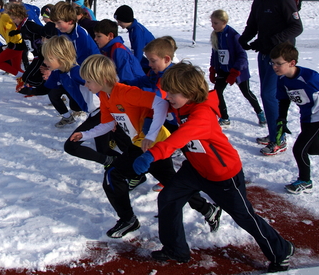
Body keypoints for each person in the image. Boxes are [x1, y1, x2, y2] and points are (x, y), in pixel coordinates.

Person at [132, 62, 294, 272]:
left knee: (244, 216)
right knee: (168, 199)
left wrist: (151, 155)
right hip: (196, 168)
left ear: (190, 92)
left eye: (172, 93)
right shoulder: (181, 104)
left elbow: (178, 139)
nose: (168, 97)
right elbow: (156, 103)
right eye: (167, 92)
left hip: (222, 173)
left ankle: (281, 250)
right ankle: (176, 249)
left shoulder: (202, 115)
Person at [74, 55, 221, 238]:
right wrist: (85, 135)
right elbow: (107, 123)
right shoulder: (105, 96)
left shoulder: (126, 92)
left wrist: (151, 136)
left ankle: (128, 220)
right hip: (141, 144)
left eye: (88, 80)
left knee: (113, 175)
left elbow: (160, 103)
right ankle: (207, 209)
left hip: (153, 143)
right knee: (170, 182)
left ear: (102, 79)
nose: (86, 84)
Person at [239, 0, 303, 156]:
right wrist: (242, 39)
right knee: (267, 95)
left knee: (270, 94)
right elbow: (252, 26)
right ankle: (274, 132)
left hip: (281, 57)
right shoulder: (259, 1)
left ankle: (280, 139)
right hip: (265, 54)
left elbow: (296, 27)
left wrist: (271, 41)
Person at [269, 42, 319, 194]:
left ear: (292, 63)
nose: (274, 67)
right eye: (272, 63)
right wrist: (282, 119)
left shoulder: (310, 77)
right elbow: (283, 99)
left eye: (278, 63)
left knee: (299, 149)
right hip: (306, 116)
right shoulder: (282, 78)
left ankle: (305, 180)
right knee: (314, 148)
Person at [208, 9, 265, 128]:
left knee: (247, 92)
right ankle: (224, 118)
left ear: (224, 22)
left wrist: (235, 71)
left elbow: (242, 56)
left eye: (216, 23)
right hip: (223, 70)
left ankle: (260, 112)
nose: (213, 26)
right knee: (217, 92)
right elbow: (215, 53)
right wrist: (213, 68)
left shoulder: (234, 36)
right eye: (212, 23)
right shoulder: (216, 35)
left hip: (238, 71)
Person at [42, 36, 98, 128]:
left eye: (48, 58)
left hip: (100, 111)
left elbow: (102, 87)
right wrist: (28, 87)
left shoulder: (77, 72)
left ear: (62, 57)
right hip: (92, 113)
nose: (44, 61)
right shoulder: (57, 72)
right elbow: (46, 88)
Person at [92, 19, 144, 85]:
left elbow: (127, 78)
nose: (95, 39)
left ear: (110, 36)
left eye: (98, 36)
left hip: (137, 89)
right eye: (95, 36)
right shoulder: (107, 49)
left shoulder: (119, 50)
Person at [114, 5, 155, 72]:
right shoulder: (132, 29)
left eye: (120, 22)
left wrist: (134, 68)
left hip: (148, 64)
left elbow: (138, 52)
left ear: (126, 20)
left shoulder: (137, 32)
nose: (118, 24)